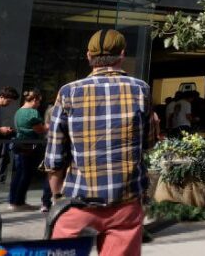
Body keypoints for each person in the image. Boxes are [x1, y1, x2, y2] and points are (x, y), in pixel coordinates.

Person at [45, 30, 152, 255]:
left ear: (88, 56)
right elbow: (147, 142)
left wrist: (56, 198)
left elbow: (55, 156)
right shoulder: (140, 89)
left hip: (79, 202)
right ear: (122, 55)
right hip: (125, 202)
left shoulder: (68, 92)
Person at [8, 90, 46, 210]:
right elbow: (39, 129)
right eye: (39, 101)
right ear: (34, 100)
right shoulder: (32, 113)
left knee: (19, 173)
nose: (39, 104)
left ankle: (13, 200)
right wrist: (48, 126)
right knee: (26, 173)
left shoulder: (19, 111)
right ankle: (19, 202)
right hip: (29, 145)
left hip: (19, 143)